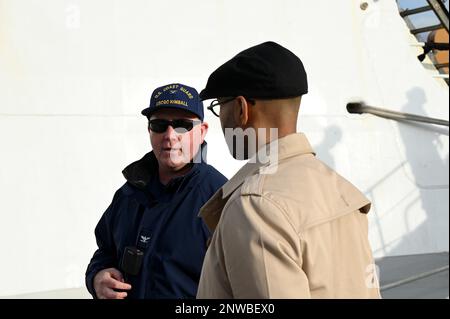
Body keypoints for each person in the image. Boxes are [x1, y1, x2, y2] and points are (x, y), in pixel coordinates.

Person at [196, 42, 381, 298]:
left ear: (241, 109)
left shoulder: (256, 205)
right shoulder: (341, 190)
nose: (221, 120)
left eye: (219, 106)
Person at [85, 83, 227, 299]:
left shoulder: (220, 198)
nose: (170, 136)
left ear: (202, 131)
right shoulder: (128, 194)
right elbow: (105, 251)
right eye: (160, 124)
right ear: (149, 130)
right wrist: (97, 277)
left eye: (182, 125)